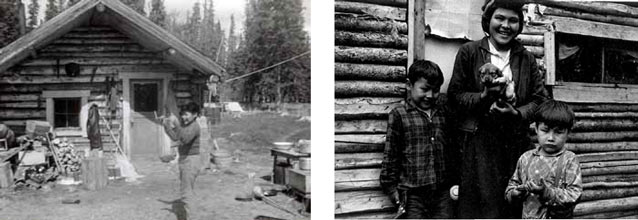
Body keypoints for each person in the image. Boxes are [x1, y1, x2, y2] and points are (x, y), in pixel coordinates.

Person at [447, 0, 549, 218]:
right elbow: (455, 97)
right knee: (484, 207)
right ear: (488, 20)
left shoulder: (526, 58)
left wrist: (517, 114)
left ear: (519, 25)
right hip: (479, 144)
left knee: (515, 204)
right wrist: (483, 97)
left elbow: (540, 99)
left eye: (513, 20)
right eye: (500, 18)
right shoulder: (469, 52)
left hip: (516, 145)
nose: (506, 25)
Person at [380, 60, 454, 219]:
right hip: (413, 194)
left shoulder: (443, 113)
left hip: (442, 193)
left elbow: (451, 150)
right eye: (425, 89)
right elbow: (391, 155)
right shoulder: (399, 114)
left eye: (435, 91)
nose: (430, 96)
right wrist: (391, 189)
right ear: (409, 85)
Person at [506, 100, 582, 218]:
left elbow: (574, 194)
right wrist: (515, 193)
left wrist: (546, 192)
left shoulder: (569, 160)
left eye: (558, 132)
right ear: (536, 129)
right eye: (545, 130)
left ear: (568, 133)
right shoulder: (526, 158)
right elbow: (512, 185)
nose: (551, 138)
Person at [162, 102, 202, 220]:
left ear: (195, 115)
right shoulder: (186, 125)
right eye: (182, 115)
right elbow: (175, 137)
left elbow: (184, 139)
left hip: (191, 161)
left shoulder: (194, 126)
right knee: (187, 191)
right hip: (185, 160)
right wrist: (166, 126)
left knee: (186, 194)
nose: (184, 117)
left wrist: (176, 123)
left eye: (186, 115)